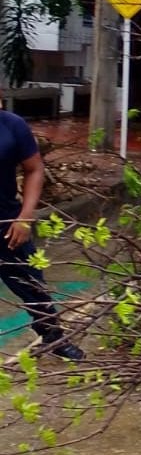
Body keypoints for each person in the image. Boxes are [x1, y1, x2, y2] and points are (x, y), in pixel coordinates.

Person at [0, 104, 84, 360]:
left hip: (6, 224)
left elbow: (34, 169)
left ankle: (53, 336)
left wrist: (25, 217)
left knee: (33, 284)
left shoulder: (12, 125)